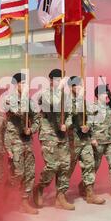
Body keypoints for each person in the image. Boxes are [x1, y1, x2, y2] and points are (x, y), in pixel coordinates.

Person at [33, 69, 75, 211]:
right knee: (52, 166)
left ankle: (60, 196)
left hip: (62, 134)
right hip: (48, 133)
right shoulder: (44, 94)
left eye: (60, 79)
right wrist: (61, 89)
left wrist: (67, 125)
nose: (58, 82)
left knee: (65, 165)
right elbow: (54, 104)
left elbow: (70, 113)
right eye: (56, 80)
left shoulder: (67, 96)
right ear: (51, 81)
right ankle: (40, 187)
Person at [4, 73, 39, 215]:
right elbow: (20, 113)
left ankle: (24, 201)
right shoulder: (9, 100)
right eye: (22, 83)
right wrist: (24, 98)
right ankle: (7, 195)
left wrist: (31, 129)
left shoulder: (30, 101)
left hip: (26, 140)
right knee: (18, 173)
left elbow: (37, 118)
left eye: (26, 83)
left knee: (29, 173)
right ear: (16, 85)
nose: (24, 86)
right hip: (14, 141)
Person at [67, 76, 105, 205]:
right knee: (67, 170)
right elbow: (70, 115)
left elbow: (90, 117)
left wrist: (89, 128)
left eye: (80, 85)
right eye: (76, 86)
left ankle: (90, 193)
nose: (79, 88)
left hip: (85, 140)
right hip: (72, 141)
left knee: (89, 165)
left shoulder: (84, 102)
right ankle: (59, 194)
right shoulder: (66, 101)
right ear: (71, 87)